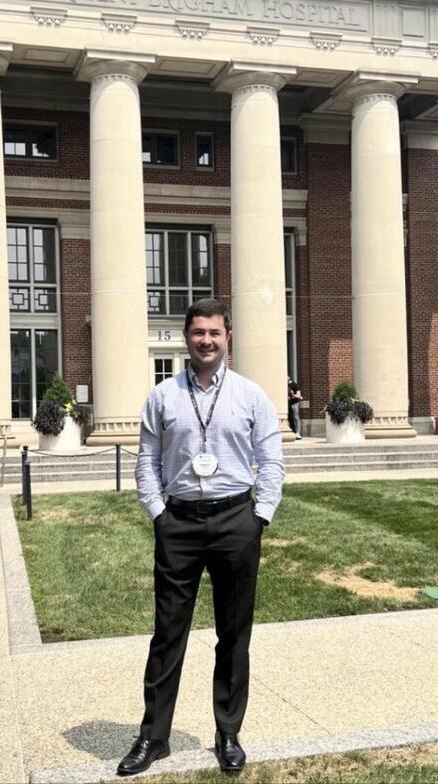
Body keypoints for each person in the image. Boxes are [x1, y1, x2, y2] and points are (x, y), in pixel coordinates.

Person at [117, 298, 284, 777]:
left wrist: (260, 516)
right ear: (185, 338)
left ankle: (228, 731)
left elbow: (271, 461)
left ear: (227, 336)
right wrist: (158, 514)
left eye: (214, 332)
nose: (206, 341)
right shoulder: (163, 396)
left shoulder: (252, 396)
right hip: (180, 524)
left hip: (236, 520)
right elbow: (147, 460)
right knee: (168, 633)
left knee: (234, 633)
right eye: (198, 333)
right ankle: (154, 736)